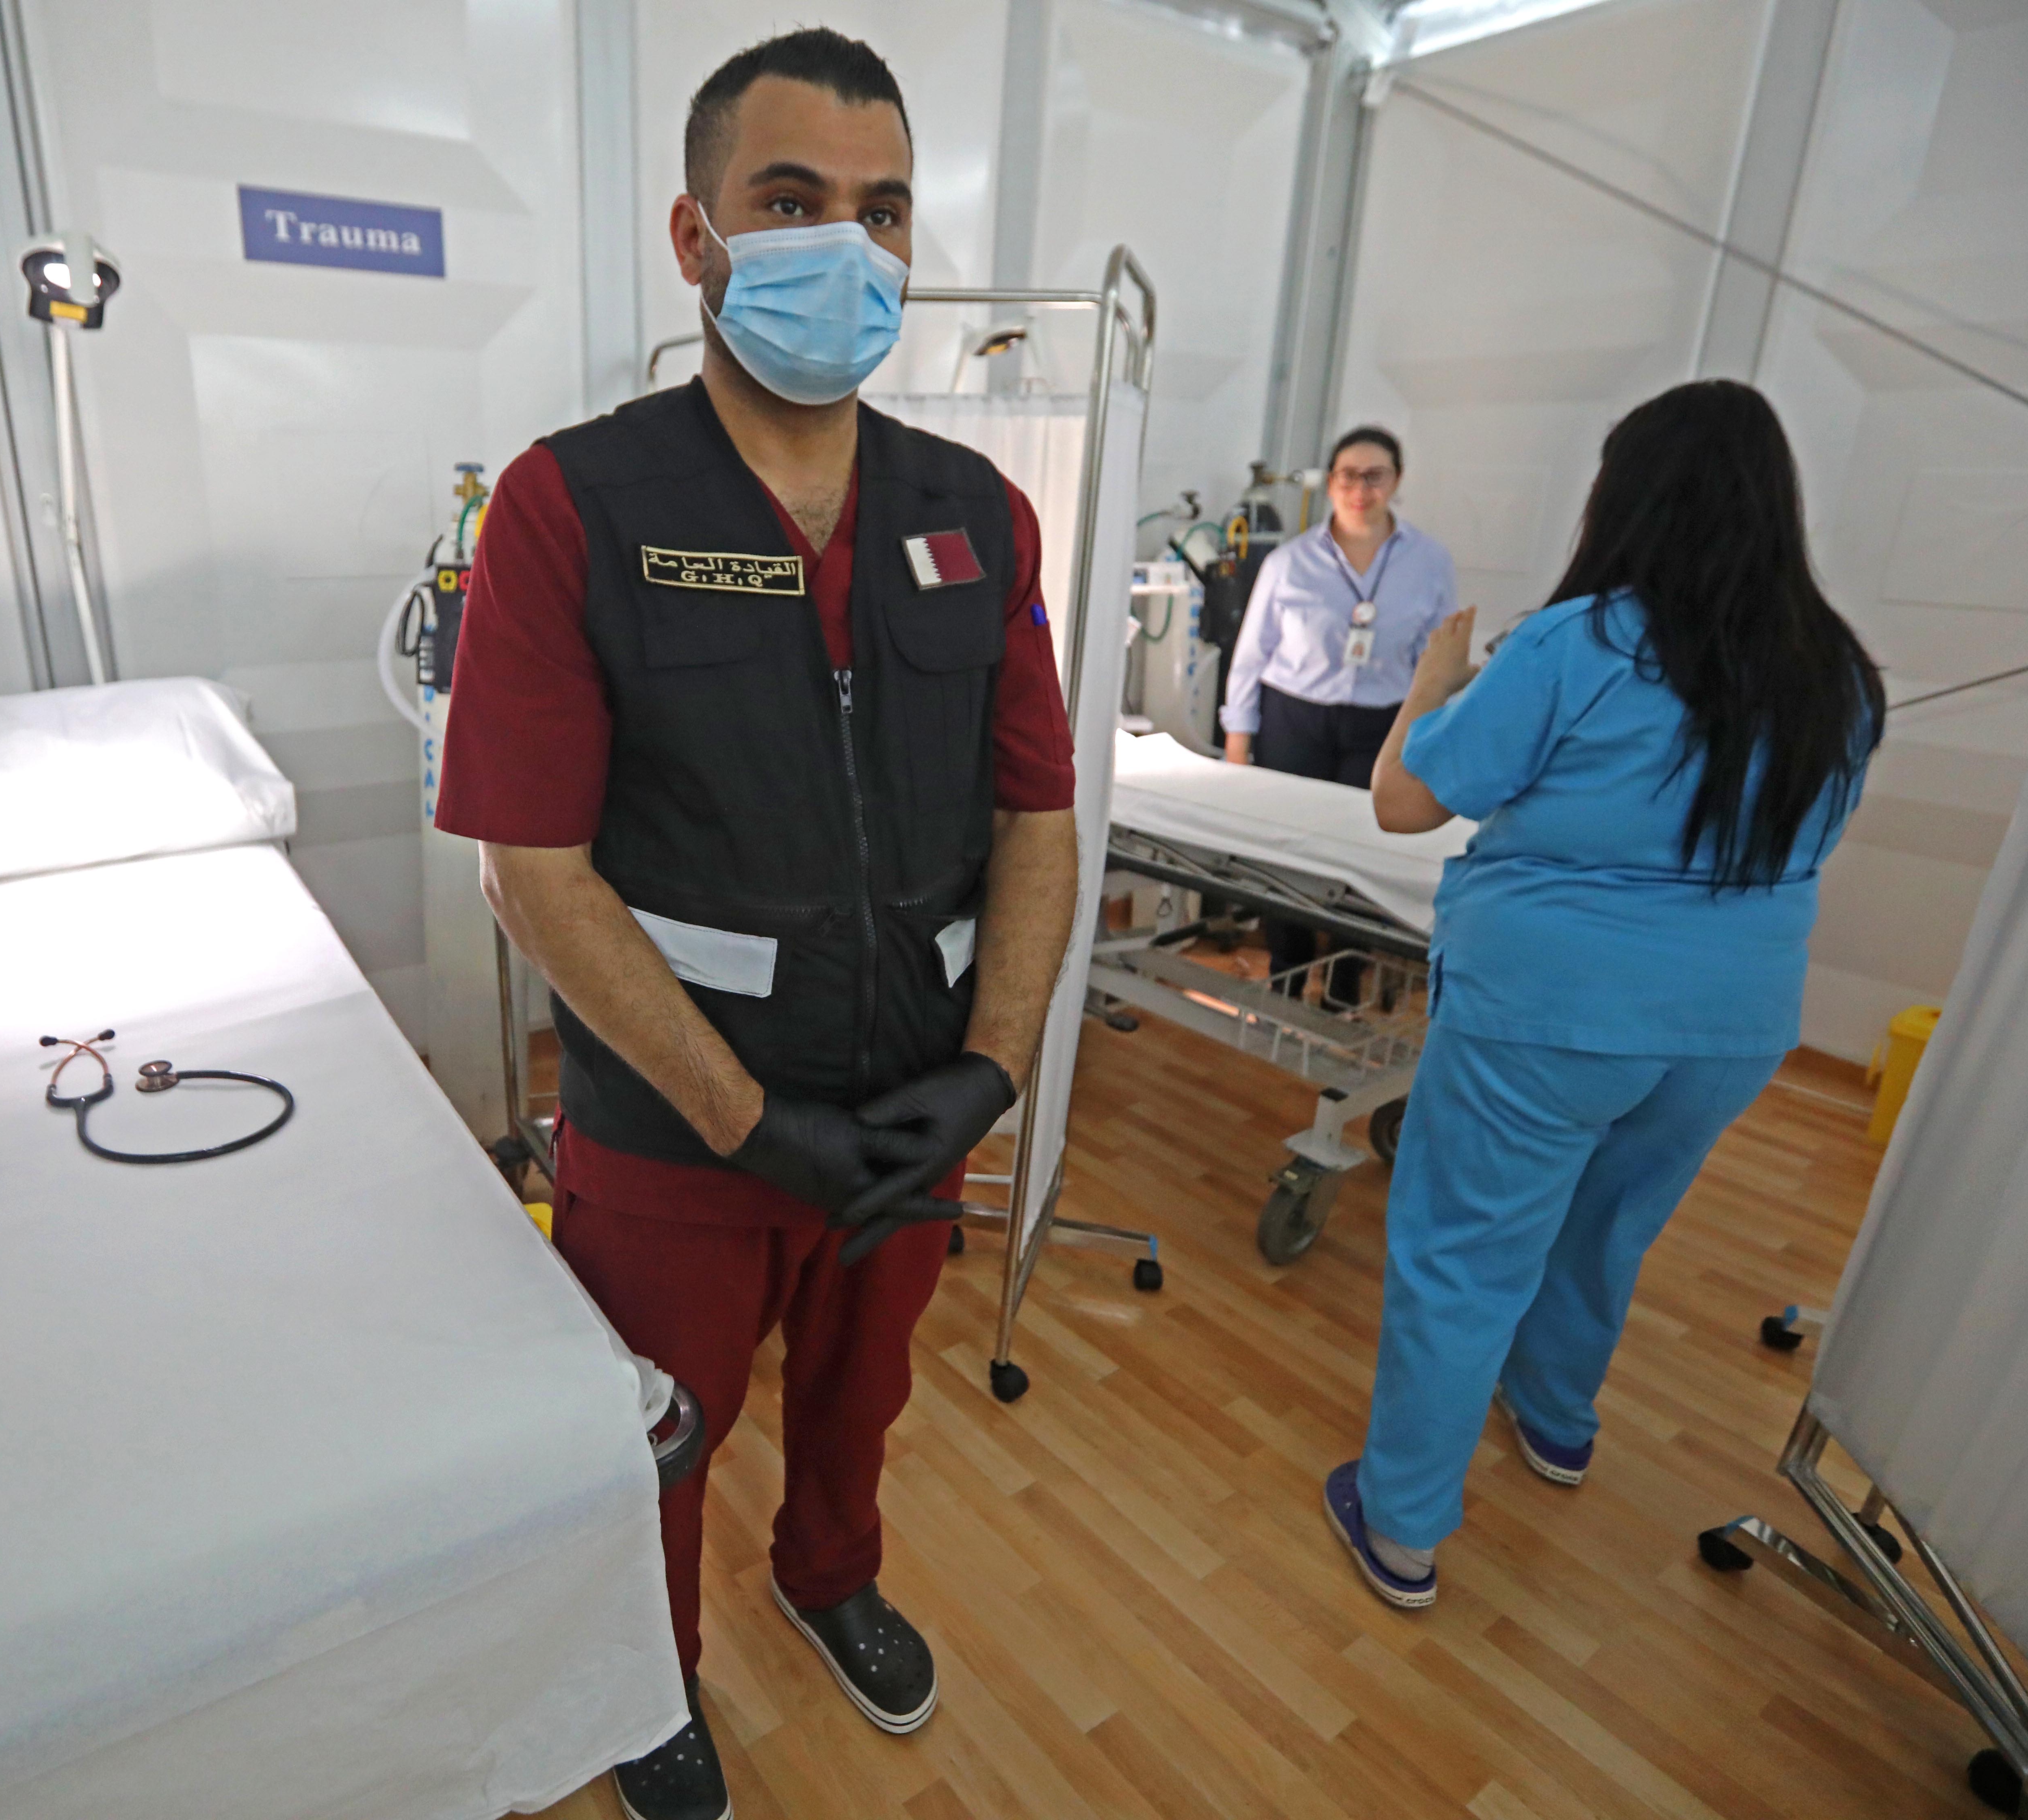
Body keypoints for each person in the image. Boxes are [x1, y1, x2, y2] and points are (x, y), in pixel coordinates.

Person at [434, 28, 1079, 1820]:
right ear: (694, 236)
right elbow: (531, 869)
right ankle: (646, 1678)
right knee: (656, 1432)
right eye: (791, 203)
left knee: (861, 1402)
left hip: (909, 1111)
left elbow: (1037, 819)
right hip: (680, 1131)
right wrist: (741, 1118)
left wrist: (990, 1074)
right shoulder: (575, 506)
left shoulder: (976, 516)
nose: (844, 248)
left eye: (883, 210)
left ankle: (828, 1573)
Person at [1322, 380, 1884, 1610]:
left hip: (1551, 1013)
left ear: (1625, 497)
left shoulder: (1578, 645)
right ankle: (1557, 1422)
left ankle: (1403, 1526)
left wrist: (1435, 679)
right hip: (1731, 1025)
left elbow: (1405, 801)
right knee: (1609, 1224)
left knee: (1466, 1257)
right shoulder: (1837, 674)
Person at [1221, 426, 1459, 1001]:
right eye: (1348, 476)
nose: (1360, 489)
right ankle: (1287, 973)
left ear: (1396, 482)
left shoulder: (1429, 562)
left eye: (1375, 476)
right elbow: (1251, 656)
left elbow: (1437, 662)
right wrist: (1237, 748)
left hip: (1382, 724)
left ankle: (1345, 982)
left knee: (1364, 852)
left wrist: (1431, 740)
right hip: (1294, 718)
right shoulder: (1289, 562)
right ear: (1330, 484)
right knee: (1286, 849)